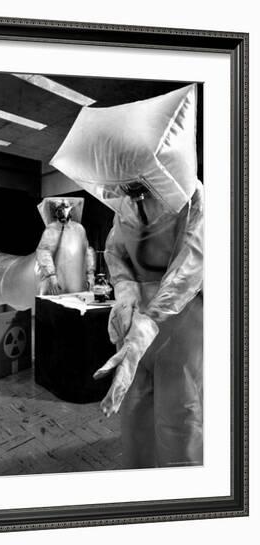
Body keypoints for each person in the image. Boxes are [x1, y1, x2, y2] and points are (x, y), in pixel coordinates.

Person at [49, 83, 203, 468]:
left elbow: (191, 265)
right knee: (135, 414)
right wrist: (125, 287)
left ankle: (182, 505)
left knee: (179, 418)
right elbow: (116, 250)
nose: (131, 195)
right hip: (134, 319)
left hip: (182, 323)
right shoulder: (126, 206)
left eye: (137, 187)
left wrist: (149, 321)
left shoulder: (196, 200)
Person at [36, 198, 95, 295]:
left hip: (77, 280)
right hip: (58, 281)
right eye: (59, 209)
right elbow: (43, 251)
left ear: (70, 210)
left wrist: (90, 274)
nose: (63, 212)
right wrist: (51, 275)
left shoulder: (79, 229)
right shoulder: (51, 230)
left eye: (65, 208)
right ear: (56, 212)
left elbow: (87, 252)